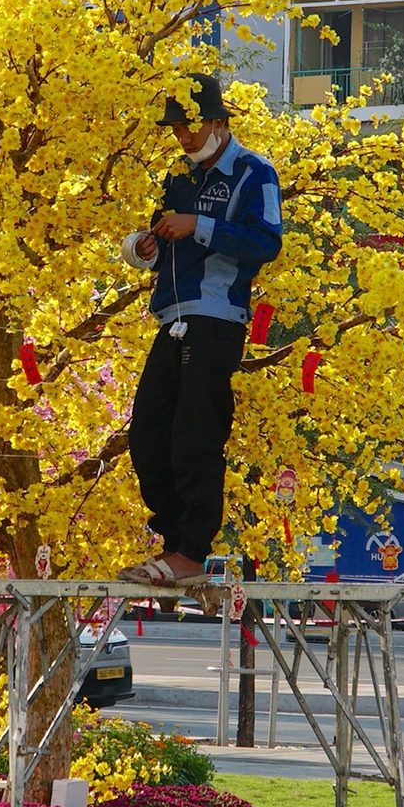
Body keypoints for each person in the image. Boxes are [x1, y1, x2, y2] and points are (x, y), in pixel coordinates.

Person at [120, 71, 282, 588]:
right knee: (147, 434)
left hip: (216, 318)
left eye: (191, 125)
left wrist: (199, 225)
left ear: (218, 121)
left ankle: (192, 551)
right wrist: (143, 247)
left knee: (196, 433)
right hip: (171, 317)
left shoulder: (254, 171)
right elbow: (160, 243)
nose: (184, 137)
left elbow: (267, 243)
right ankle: (174, 544)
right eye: (176, 128)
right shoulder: (178, 177)